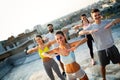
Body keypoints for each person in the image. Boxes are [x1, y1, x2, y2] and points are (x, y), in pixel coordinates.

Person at [79, 8, 120, 80]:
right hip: (100, 49)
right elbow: (80, 32)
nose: (97, 16)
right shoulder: (91, 26)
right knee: (102, 66)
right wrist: (89, 31)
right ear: (92, 17)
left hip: (111, 46)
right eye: (95, 15)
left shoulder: (106, 22)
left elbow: (118, 19)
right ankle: (104, 78)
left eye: (98, 14)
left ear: (100, 15)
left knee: (119, 61)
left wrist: (111, 23)